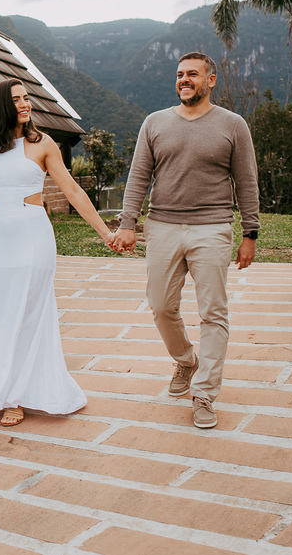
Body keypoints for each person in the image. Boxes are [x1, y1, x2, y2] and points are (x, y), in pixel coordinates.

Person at [0, 78, 116, 427]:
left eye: (27, 98)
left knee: (28, 313)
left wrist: (105, 232)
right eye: (17, 99)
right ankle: (8, 389)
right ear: (2, 105)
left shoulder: (42, 143)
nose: (25, 104)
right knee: (0, 315)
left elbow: (72, 191)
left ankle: (16, 397)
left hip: (32, 235)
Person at [112, 52, 259, 429]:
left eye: (192, 74)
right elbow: (139, 176)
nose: (184, 80)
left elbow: (247, 181)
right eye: (180, 74)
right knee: (161, 306)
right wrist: (128, 223)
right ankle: (186, 360)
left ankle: (204, 393)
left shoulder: (233, 125)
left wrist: (250, 233)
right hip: (161, 225)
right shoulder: (154, 122)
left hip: (213, 227)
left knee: (214, 312)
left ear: (211, 80)